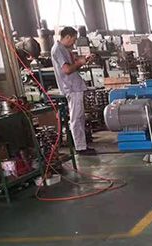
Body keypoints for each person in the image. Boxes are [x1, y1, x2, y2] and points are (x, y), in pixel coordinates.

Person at [51, 26, 96, 155]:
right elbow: (67, 69)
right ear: (67, 37)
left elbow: (72, 67)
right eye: (74, 39)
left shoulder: (64, 49)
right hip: (71, 87)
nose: (74, 42)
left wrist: (83, 61)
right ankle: (80, 147)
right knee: (76, 118)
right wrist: (80, 62)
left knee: (79, 117)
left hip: (74, 86)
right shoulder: (58, 49)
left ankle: (82, 144)